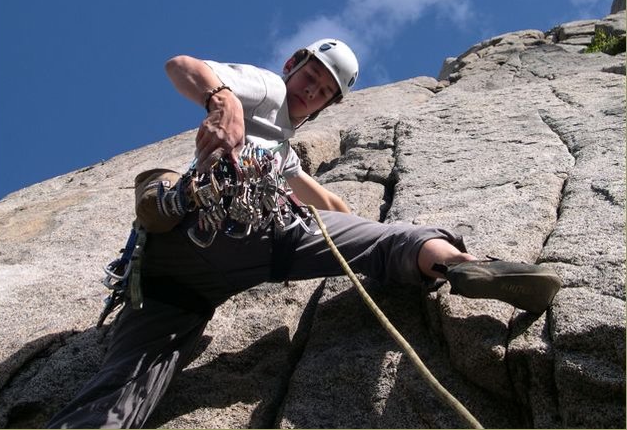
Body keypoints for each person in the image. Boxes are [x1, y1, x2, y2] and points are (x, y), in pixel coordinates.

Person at [48, 39, 561, 428]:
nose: (309, 89)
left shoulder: (287, 154)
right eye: (309, 75)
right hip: (230, 221)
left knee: (123, 392)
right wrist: (222, 100)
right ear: (291, 67)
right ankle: (452, 261)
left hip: (175, 281)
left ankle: (462, 268)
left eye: (322, 90)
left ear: (326, 107)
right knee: (393, 242)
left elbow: (331, 204)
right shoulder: (265, 88)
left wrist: (357, 220)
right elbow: (181, 66)